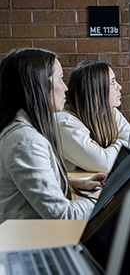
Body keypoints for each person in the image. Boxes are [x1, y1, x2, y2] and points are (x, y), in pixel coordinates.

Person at [0, 48, 106, 222]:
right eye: (61, 78)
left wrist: (76, 182)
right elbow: (63, 215)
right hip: (29, 242)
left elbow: (29, 184)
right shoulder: (25, 141)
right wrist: (104, 196)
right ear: (40, 84)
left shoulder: (20, 129)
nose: (65, 88)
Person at [56, 60, 130, 172]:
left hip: (95, 185)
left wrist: (104, 149)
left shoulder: (111, 112)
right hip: (73, 189)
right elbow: (104, 164)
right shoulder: (65, 123)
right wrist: (120, 142)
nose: (119, 87)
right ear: (95, 89)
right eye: (112, 82)